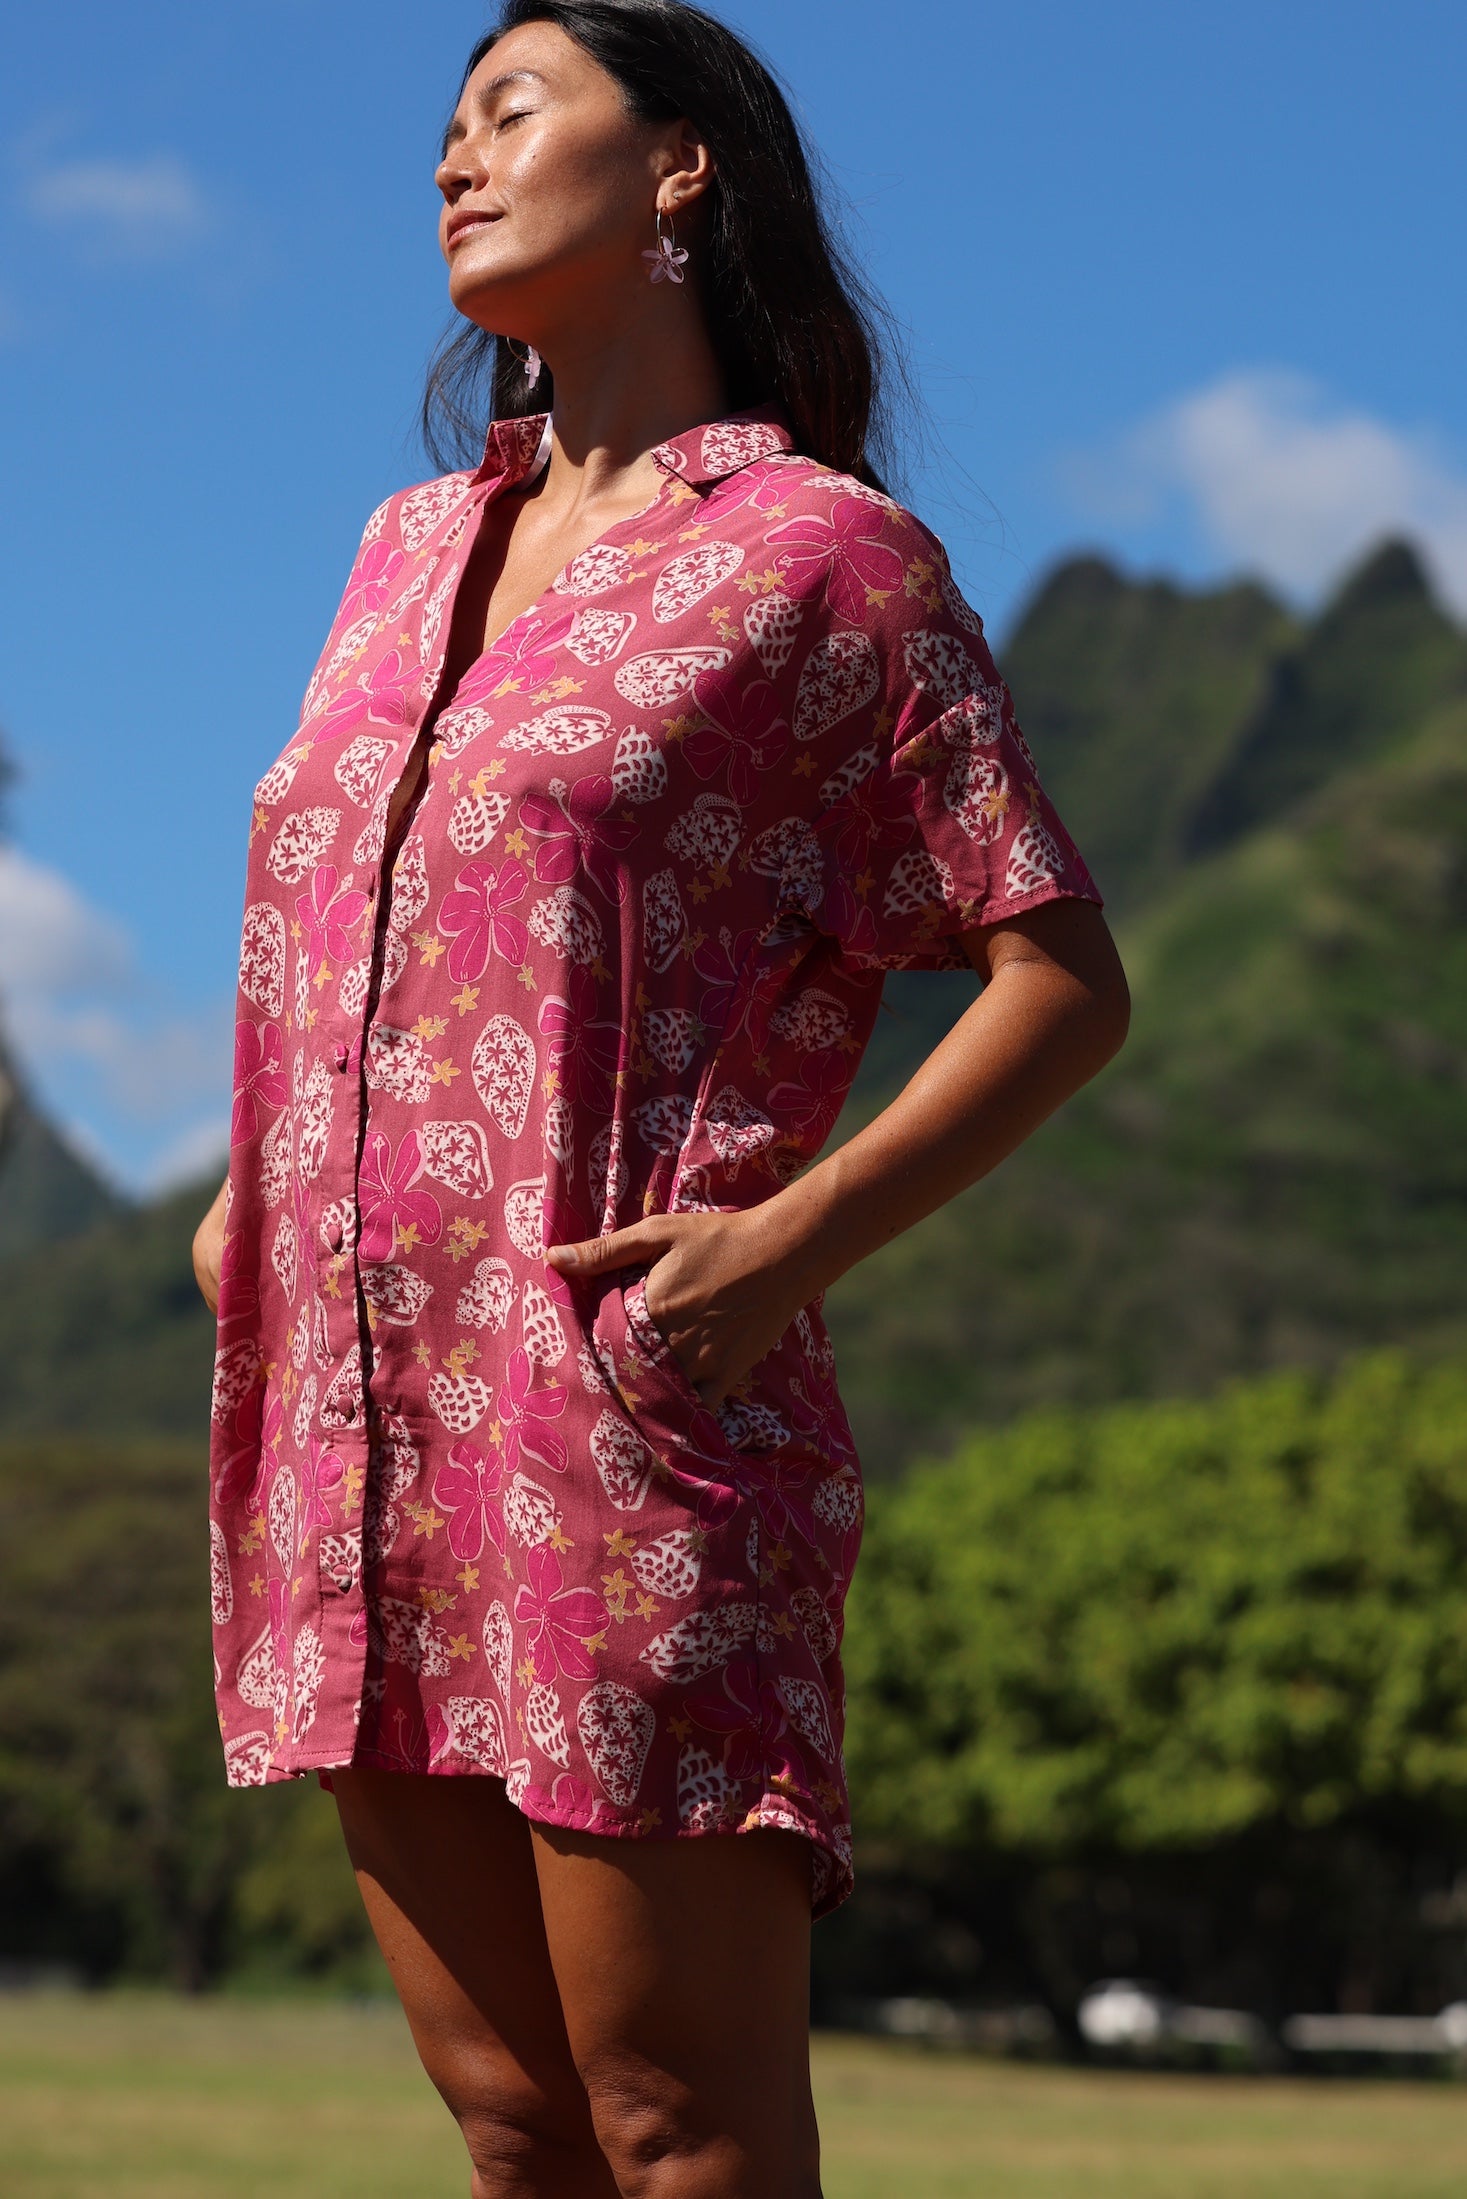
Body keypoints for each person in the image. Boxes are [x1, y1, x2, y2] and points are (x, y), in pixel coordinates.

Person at [192, 4, 1128, 2192]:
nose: (452, 159)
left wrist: (782, 1239)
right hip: (350, 1425)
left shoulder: (820, 559)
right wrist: (251, 1195)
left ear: (681, 169)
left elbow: (1055, 976)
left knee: (674, 2124)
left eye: (511, 110)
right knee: (515, 2127)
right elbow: (347, 904)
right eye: (441, 127)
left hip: (619, 1415)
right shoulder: (399, 548)